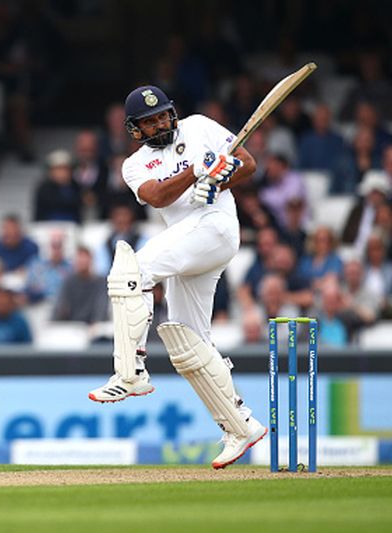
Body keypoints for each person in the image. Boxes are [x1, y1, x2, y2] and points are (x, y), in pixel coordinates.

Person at [87, 85, 266, 470]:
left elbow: (248, 164)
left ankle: (129, 372)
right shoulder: (133, 164)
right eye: (149, 121)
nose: (159, 123)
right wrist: (196, 171)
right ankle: (240, 425)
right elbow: (157, 197)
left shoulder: (200, 126)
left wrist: (219, 179)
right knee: (186, 343)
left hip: (215, 227)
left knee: (131, 271)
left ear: (172, 112)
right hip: (186, 243)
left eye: (162, 115)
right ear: (136, 130)